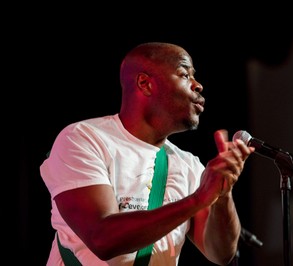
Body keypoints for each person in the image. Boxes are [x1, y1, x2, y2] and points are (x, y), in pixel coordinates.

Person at [40, 42, 255, 266]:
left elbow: (220, 254)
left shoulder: (188, 165)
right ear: (145, 83)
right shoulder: (83, 139)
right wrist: (198, 199)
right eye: (184, 74)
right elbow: (102, 238)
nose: (198, 85)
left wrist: (222, 194)